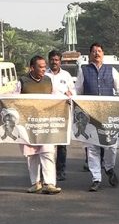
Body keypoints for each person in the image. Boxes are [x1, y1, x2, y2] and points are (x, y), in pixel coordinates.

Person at [75, 42, 119, 192]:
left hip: (108, 115)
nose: (97, 53)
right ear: (90, 55)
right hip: (89, 115)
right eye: (94, 51)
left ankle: (109, 167)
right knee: (92, 148)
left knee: (111, 146)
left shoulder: (111, 70)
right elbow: (77, 91)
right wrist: (70, 96)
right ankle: (96, 178)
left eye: (99, 51)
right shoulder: (83, 70)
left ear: (103, 54)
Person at [15, 55, 60, 194]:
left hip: (45, 124)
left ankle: (49, 184)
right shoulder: (22, 81)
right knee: (32, 155)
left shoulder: (48, 80)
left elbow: (56, 96)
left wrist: (66, 97)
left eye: (44, 66)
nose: (44, 69)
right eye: (40, 67)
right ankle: (35, 183)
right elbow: (13, 99)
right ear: (32, 68)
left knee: (48, 152)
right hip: (28, 125)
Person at [46, 49, 75, 181]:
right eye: (52, 60)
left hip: (62, 113)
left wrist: (70, 94)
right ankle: (48, 171)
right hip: (47, 113)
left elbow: (73, 91)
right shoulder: (44, 74)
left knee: (61, 145)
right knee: (47, 144)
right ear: (49, 61)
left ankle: (61, 171)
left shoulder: (66, 75)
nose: (54, 62)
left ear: (60, 61)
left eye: (56, 60)